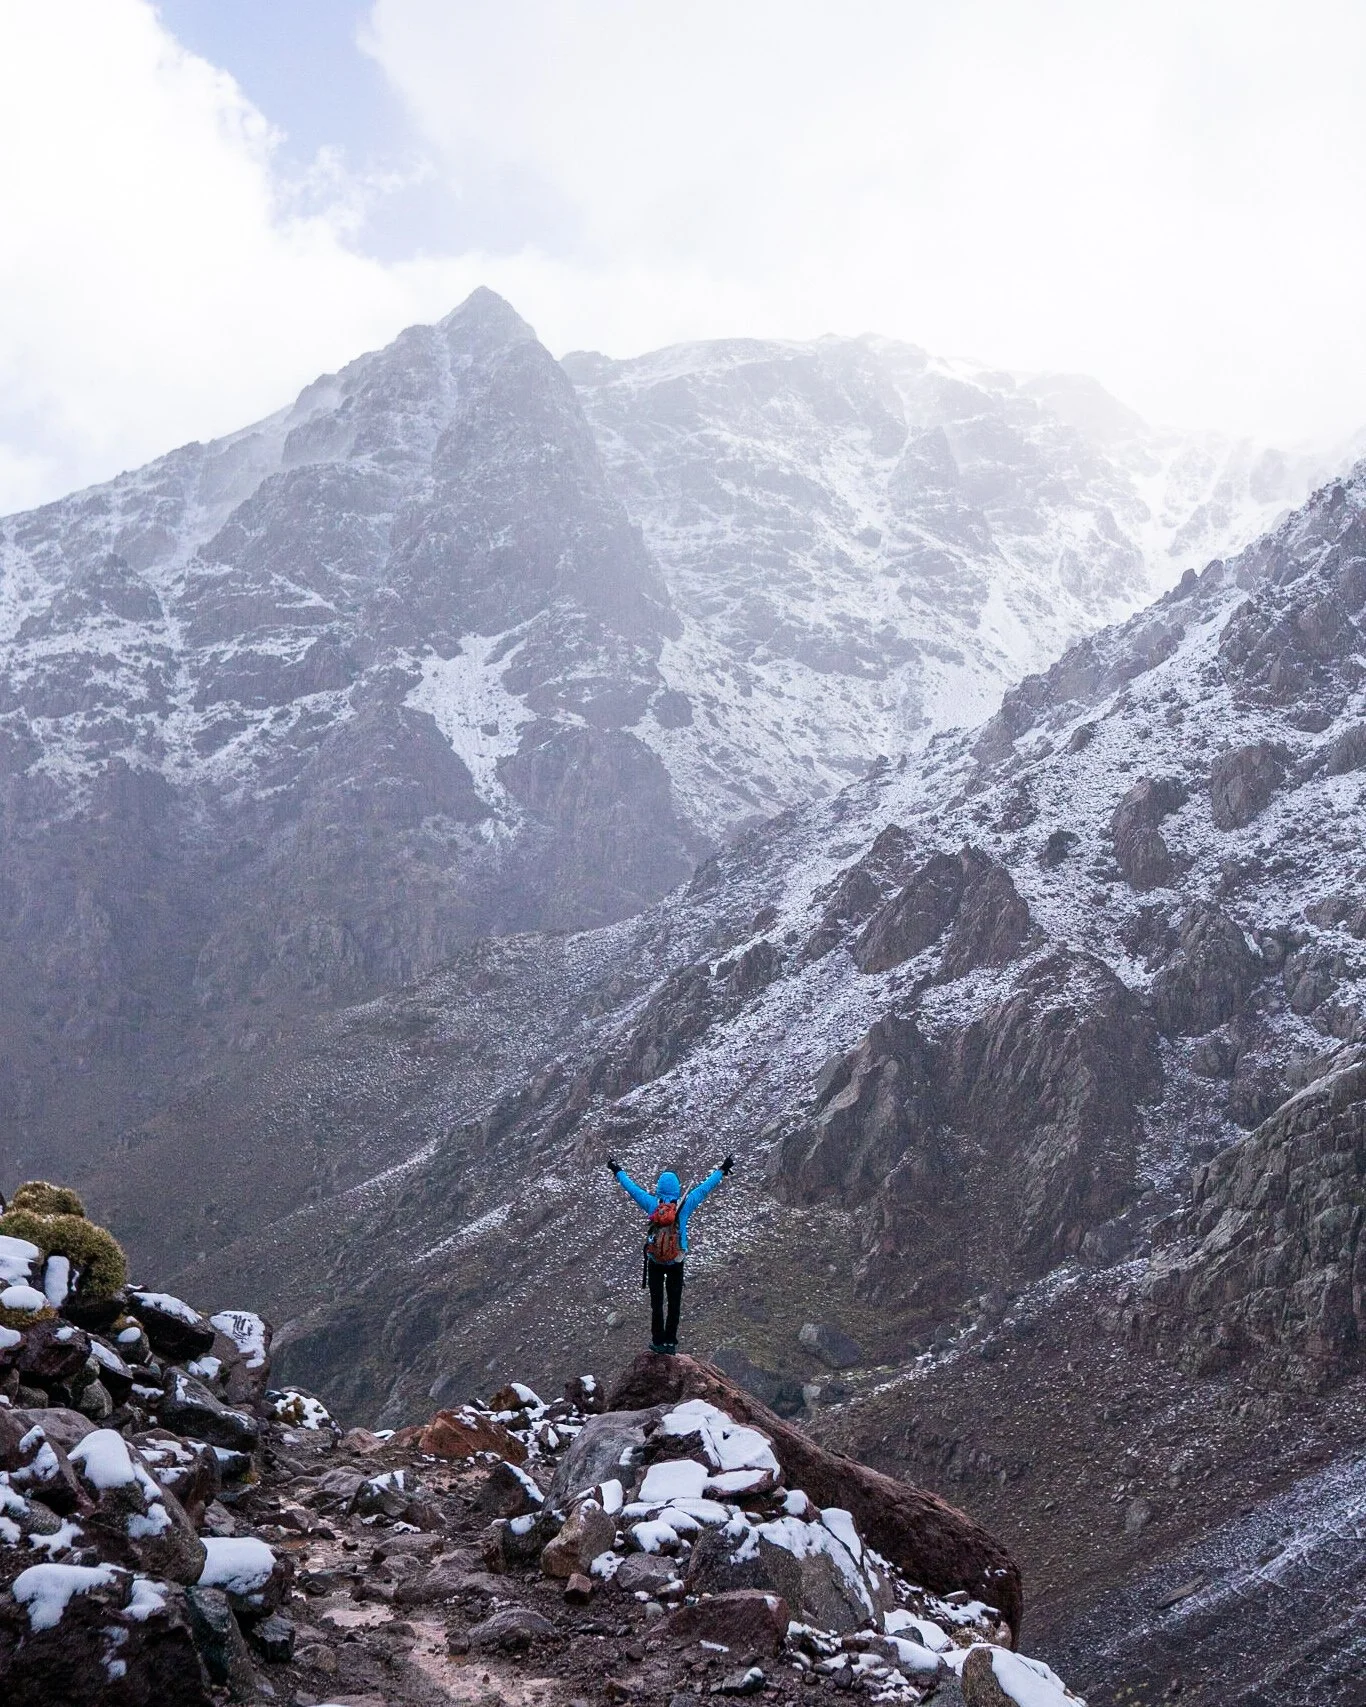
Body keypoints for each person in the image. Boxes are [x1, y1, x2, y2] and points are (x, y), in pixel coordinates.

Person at [607, 1153, 733, 1354]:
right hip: (676, 1260)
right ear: (676, 1188)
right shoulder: (685, 1205)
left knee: (657, 1303)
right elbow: (705, 1188)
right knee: (674, 1302)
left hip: (655, 1260)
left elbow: (632, 1189)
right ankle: (670, 1343)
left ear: (659, 1188)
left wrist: (617, 1170)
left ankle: (658, 1341)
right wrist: (722, 1170)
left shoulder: (652, 1205)